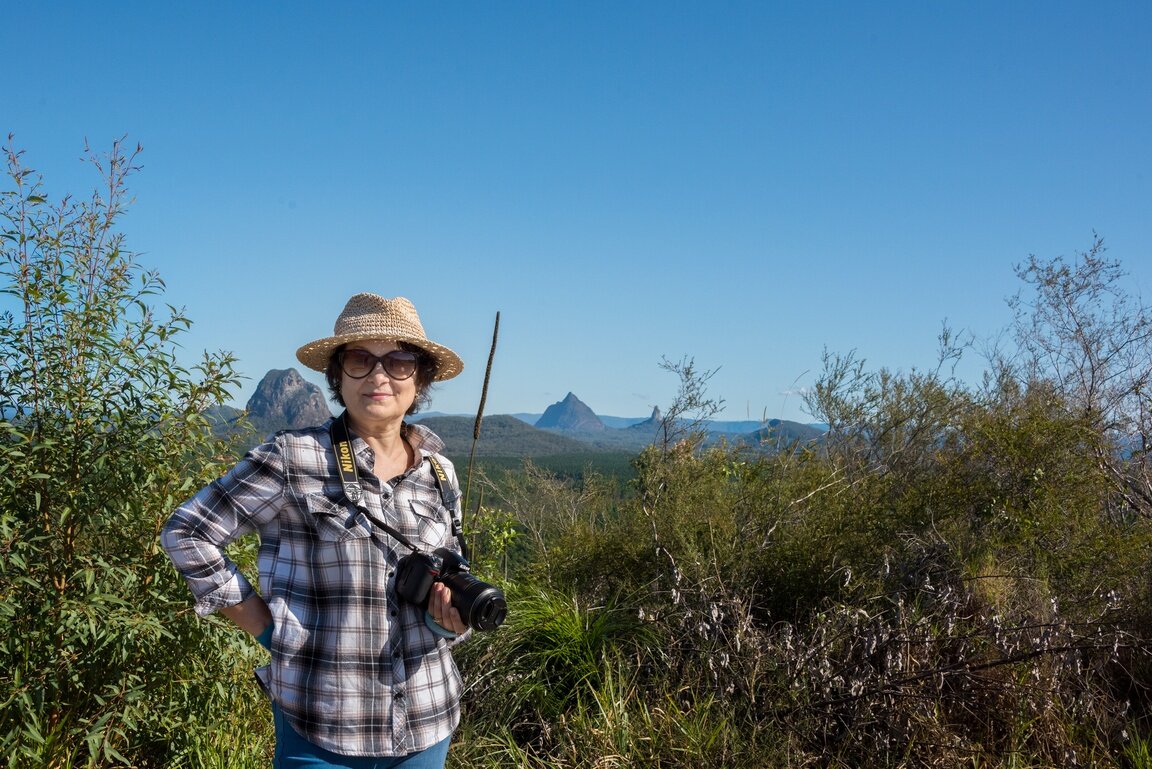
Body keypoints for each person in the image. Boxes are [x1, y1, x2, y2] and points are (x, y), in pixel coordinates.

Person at [162, 293, 471, 768]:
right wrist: (268, 631)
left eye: (400, 361)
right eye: (360, 359)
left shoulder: (441, 471)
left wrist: (444, 617)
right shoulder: (291, 458)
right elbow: (187, 532)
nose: (379, 375)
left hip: (427, 720)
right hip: (321, 724)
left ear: (421, 378)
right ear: (337, 374)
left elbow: (446, 573)